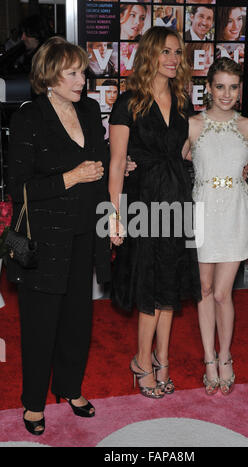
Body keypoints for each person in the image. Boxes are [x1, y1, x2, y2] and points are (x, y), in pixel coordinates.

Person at [7, 37, 110, 435]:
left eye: (82, 71)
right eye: (73, 72)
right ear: (50, 76)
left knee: (77, 320)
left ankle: (69, 387)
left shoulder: (88, 109)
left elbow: (98, 166)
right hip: (43, 240)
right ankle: (34, 402)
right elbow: (19, 190)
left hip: (83, 232)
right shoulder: (29, 118)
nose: (82, 79)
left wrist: (111, 209)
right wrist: (72, 177)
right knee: (40, 324)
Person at [108, 26, 201, 399]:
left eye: (177, 53)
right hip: (143, 202)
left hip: (177, 199)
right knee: (149, 286)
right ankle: (141, 361)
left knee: (169, 285)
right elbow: (116, 165)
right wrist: (112, 215)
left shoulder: (182, 103)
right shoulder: (127, 103)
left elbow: (187, 152)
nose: (173, 59)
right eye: (164, 52)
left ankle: (163, 358)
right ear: (148, 55)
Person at [184, 57, 248, 395]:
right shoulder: (193, 125)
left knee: (221, 293)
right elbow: (174, 159)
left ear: (240, 90)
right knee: (202, 290)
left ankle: (226, 355)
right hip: (201, 210)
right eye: (220, 86)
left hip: (234, 211)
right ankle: (209, 358)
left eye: (233, 87)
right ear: (209, 89)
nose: (227, 94)